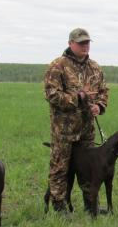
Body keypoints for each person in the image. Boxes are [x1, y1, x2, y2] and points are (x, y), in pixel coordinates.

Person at [44, 28, 109, 212]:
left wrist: (100, 105)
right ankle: (59, 206)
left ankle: (91, 205)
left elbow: (103, 91)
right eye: (81, 43)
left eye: (87, 42)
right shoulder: (58, 66)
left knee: (87, 169)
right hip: (64, 130)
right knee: (60, 168)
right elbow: (52, 95)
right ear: (70, 43)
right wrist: (77, 97)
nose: (85, 46)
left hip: (86, 130)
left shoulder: (94, 67)